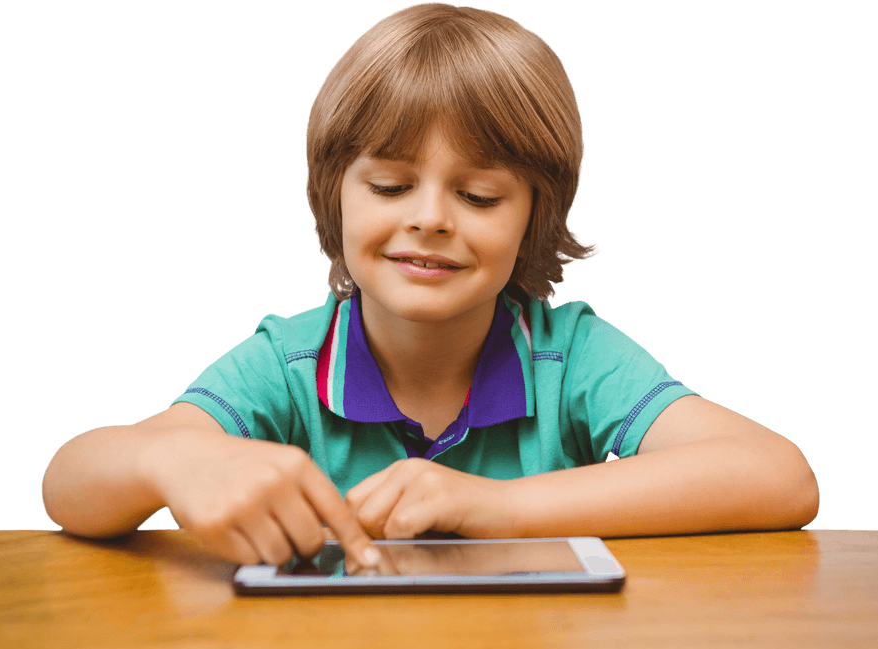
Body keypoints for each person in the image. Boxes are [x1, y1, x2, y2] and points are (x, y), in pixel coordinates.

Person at [42, 2, 819, 572]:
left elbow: (779, 476)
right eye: (388, 184)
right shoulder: (286, 363)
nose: (430, 220)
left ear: (532, 220)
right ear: (333, 196)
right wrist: (172, 463)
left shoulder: (571, 355)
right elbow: (69, 481)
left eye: (479, 197)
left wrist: (501, 508)